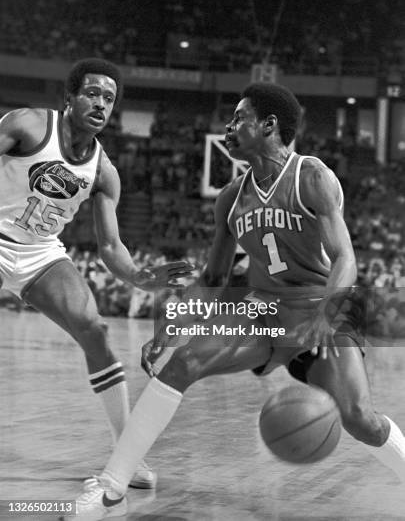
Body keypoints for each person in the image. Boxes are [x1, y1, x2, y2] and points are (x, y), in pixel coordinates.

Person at [64, 82, 405, 520]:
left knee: (359, 418)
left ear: (269, 125)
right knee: (182, 362)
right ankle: (112, 487)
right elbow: (212, 278)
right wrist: (171, 328)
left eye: (238, 117)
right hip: (262, 307)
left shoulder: (311, 175)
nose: (228, 126)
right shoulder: (230, 197)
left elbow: (345, 257)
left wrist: (326, 313)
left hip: (320, 305)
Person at [0, 58, 193, 489]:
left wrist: (141, 278)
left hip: (39, 253)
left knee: (94, 328)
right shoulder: (29, 125)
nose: (101, 103)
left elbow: (110, 247)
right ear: (69, 98)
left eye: (109, 98)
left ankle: (127, 459)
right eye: (91, 93)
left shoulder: (104, 172)